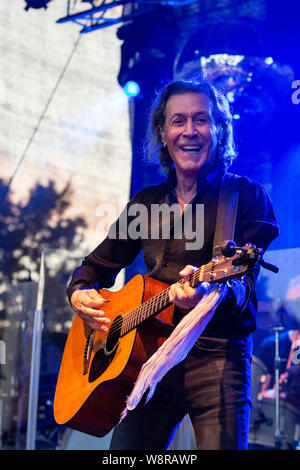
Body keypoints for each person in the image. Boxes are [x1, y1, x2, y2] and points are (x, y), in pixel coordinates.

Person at [66, 78, 279, 450]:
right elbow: (96, 265)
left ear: (219, 128)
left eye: (201, 119)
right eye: (178, 121)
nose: (190, 131)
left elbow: (243, 286)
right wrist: (79, 292)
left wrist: (210, 293)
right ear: (162, 133)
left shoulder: (245, 196)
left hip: (217, 354)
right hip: (149, 357)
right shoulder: (145, 204)